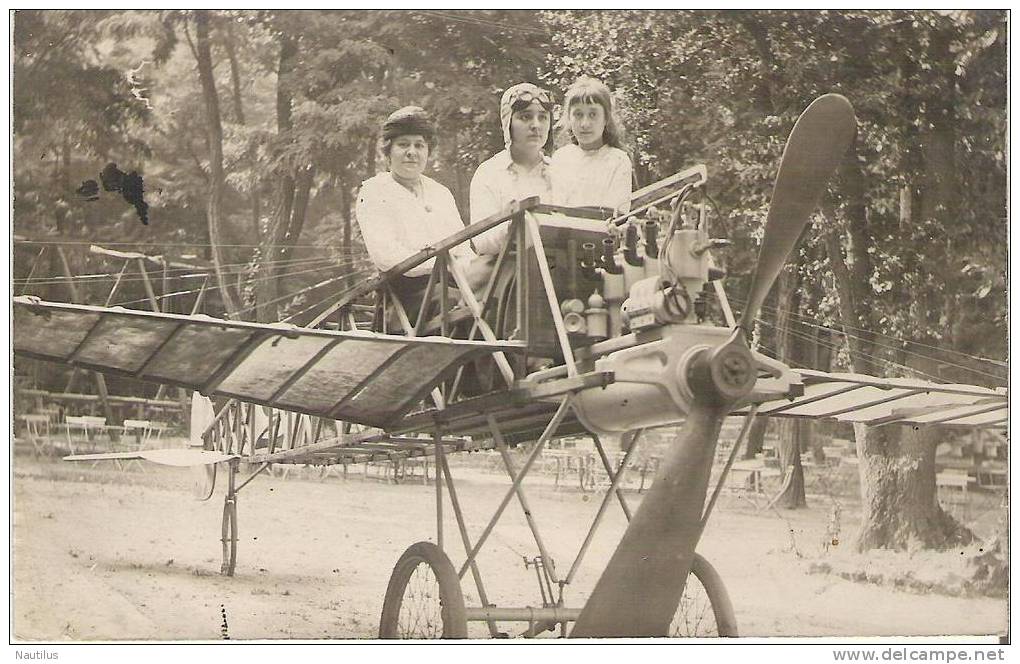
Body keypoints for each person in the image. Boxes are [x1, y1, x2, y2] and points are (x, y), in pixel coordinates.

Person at [355, 106, 478, 313]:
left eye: (419, 145)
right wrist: (444, 265)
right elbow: (386, 257)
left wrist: (472, 273)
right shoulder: (374, 191)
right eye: (403, 145)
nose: (412, 152)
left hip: (453, 285)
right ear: (388, 151)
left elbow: (463, 249)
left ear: (427, 151)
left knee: (494, 297)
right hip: (405, 298)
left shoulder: (440, 193)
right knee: (460, 305)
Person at [469, 83, 554, 255]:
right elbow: (481, 241)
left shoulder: (560, 172)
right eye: (525, 117)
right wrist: (516, 229)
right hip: (504, 270)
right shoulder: (489, 173)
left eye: (543, 117)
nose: (536, 125)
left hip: (557, 269)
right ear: (508, 123)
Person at [550, 77, 633, 214]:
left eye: (593, 114)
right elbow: (555, 208)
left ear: (606, 118)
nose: (585, 124)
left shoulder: (617, 160)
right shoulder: (560, 159)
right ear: (569, 119)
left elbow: (618, 212)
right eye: (578, 114)